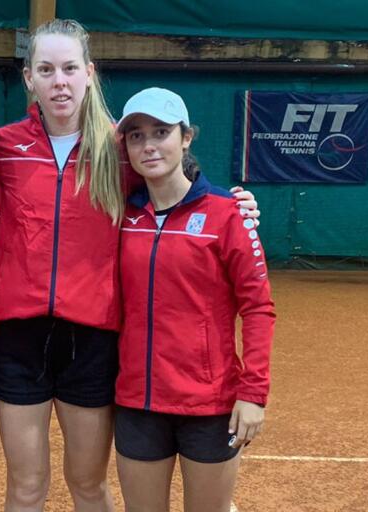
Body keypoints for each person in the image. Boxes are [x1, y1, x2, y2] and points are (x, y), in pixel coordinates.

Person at [0, 20, 261, 512]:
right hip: (19, 337)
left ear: (88, 73)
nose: (58, 81)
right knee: (25, 486)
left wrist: (238, 204)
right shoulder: (3, 147)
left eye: (69, 68)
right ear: (29, 79)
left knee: (87, 483)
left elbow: (178, 184)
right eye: (46, 70)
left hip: (92, 338)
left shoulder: (119, 146)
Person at [113, 87, 275, 512]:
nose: (149, 145)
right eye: (136, 136)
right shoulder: (120, 216)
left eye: (161, 132)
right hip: (138, 400)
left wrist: (253, 392)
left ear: (186, 138)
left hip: (210, 402)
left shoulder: (227, 213)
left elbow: (258, 307)